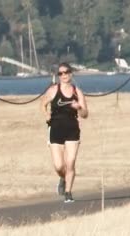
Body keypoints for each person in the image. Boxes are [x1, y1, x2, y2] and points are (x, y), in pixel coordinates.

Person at [40, 62, 89, 203]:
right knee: (59, 166)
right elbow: (42, 104)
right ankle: (63, 177)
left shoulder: (76, 91)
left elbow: (85, 114)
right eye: (60, 73)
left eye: (66, 72)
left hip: (72, 129)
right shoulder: (53, 90)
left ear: (71, 74)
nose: (64, 75)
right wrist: (46, 114)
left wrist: (79, 108)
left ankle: (68, 192)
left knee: (71, 162)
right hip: (55, 129)